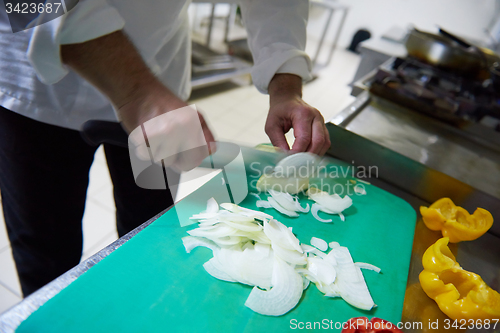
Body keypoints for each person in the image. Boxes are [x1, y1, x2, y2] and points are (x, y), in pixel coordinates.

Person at [0, 0, 331, 297]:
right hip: (33, 90)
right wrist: (138, 93)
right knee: (45, 252)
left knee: (152, 231)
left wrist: (286, 85)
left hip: (159, 73)